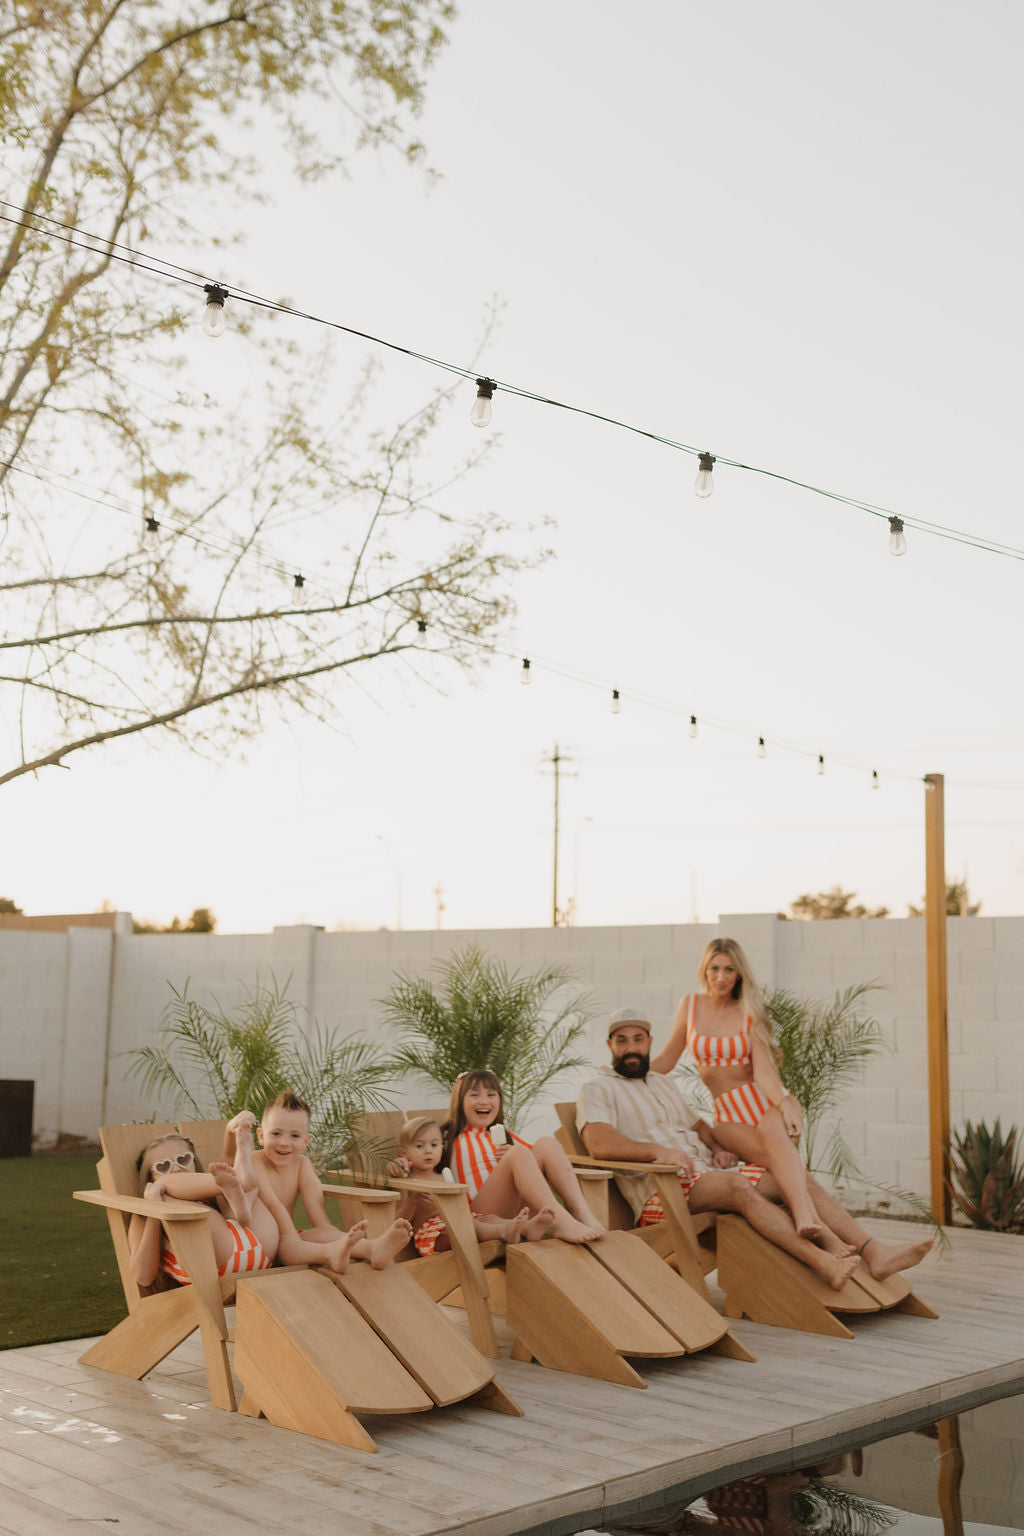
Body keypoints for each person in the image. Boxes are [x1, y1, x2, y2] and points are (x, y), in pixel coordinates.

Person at [578, 1008, 932, 1287]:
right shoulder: (599, 1088)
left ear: (649, 1042)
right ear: (610, 1045)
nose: (630, 1048)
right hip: (661, 1191)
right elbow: (598, 1142)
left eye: (637, 1039)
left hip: (706, 1175)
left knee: (791, 1178)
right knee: (738, 1186)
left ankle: (873, 1251)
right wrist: (658, 1152)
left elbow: (699, 1126)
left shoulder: (660, 1083)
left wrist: (717, 1147)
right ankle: (823, 1261)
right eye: (622, 1040)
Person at [248, 1091, 413, 1272]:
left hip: (288, 1238)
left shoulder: (302, 1164)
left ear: (305, 1141)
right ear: (261, 1135)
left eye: (294, 1136)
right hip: (261, 1245)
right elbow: (272, 1205)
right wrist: (293, 1238)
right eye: (276, 1133)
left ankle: (371, 1249)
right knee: (289, 1244)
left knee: (322, 1232)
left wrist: (329, 1233)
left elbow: (316, 1206)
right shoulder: (254, 1160)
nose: (284, 1142)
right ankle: (330, 1252)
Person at [441, 1069, 606, 1244]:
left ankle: (581, 1213)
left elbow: (542, 1162)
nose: (484, 1101)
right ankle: (562, 1223)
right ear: (459, 1101)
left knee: (547, 1144)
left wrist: (513, 1156)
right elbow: (423, 1159)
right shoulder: (445, 1138)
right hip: (482, 1218)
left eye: (491, 1095)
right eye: (474, 1095)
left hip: (519, 1212)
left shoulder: (506, 1136)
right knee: (518, 1153)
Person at [129, 1112, 278, 1287]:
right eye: (163, 1166)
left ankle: (241, 1190)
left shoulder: (212, 1196)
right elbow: (143, 1277)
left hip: (259, 1241)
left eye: (183, 1160)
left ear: (194, 1162)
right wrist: (155, 1208)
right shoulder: (141, 1217)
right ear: (150, 1177)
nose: (176, 1169)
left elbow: (227, 1158)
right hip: (209, 1264)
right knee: (168, 1183)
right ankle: (242, 1183)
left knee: (231, 1180)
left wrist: (231, 1130)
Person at [390, 1114, 550, 1254]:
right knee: (470, 1225)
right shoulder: (405, 1179)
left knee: (489, 1218)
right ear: (404, 1153)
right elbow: (397, 1220)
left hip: (458, 1222)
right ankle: (504, 1231)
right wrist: (412, 1201)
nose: (428, 1151)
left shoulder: (443, 1177)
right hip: (433, 1236)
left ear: (442, 1147)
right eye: (419, 1146)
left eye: (434, 1145)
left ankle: (526, 1228)